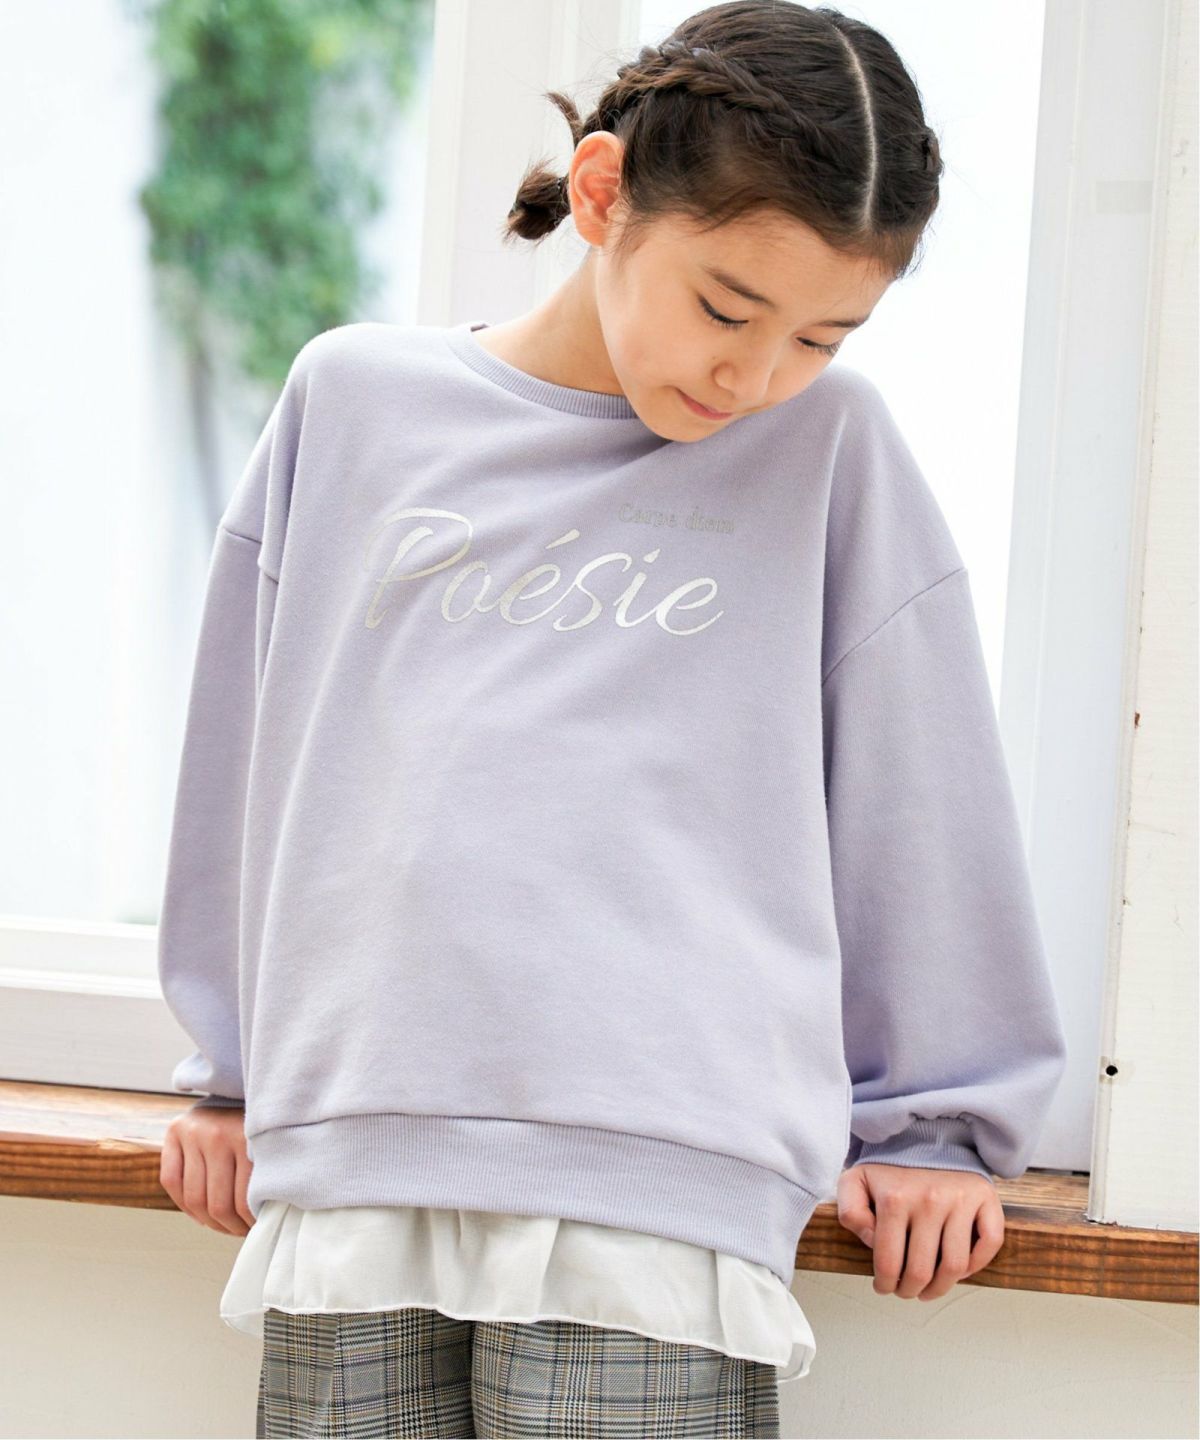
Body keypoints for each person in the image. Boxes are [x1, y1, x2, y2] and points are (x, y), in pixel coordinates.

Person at [155, 3, 1069, 1436]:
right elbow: (250, 749)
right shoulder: (356, 402)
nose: (756, 376)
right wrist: (229, 1075)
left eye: (822, 336)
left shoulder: (830, 454)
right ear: (601, 194)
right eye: (727, 309)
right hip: (358, 1163)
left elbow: (919, 789)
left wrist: (941, 1124)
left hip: (658, 1194)